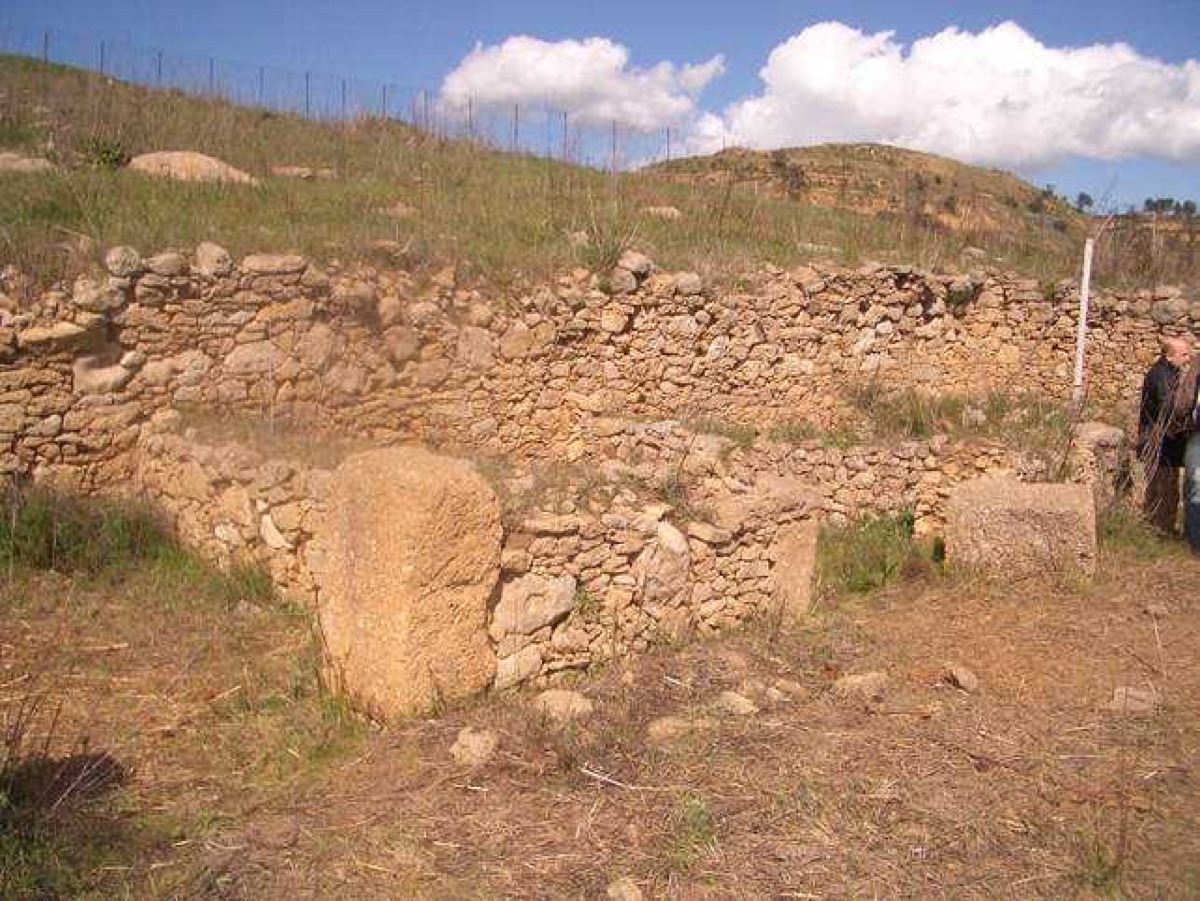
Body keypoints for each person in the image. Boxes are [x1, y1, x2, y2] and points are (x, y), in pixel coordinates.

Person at [1138, 336, 1194, 534]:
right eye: (1184, 354)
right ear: (1169, 356)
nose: (1188, 358)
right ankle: (1160, 531)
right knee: (1164, 489)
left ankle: (1159, 529)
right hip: (1159, 441)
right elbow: (1168, 409)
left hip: (1163, 441)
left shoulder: (1169, 372)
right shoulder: (1161, 375)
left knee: (1163, 487)